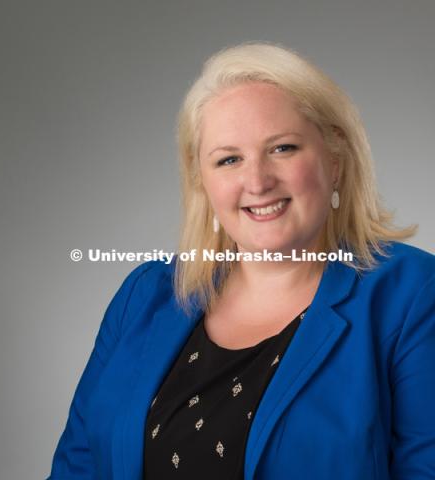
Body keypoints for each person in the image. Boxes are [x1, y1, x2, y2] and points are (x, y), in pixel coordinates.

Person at [46, 42, 435, 480]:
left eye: (283, 148)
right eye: (229, 159)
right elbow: (78, 467)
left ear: (336, 159)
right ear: (202, 182)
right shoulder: (146, 294)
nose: (257, 180)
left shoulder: (413, 294)